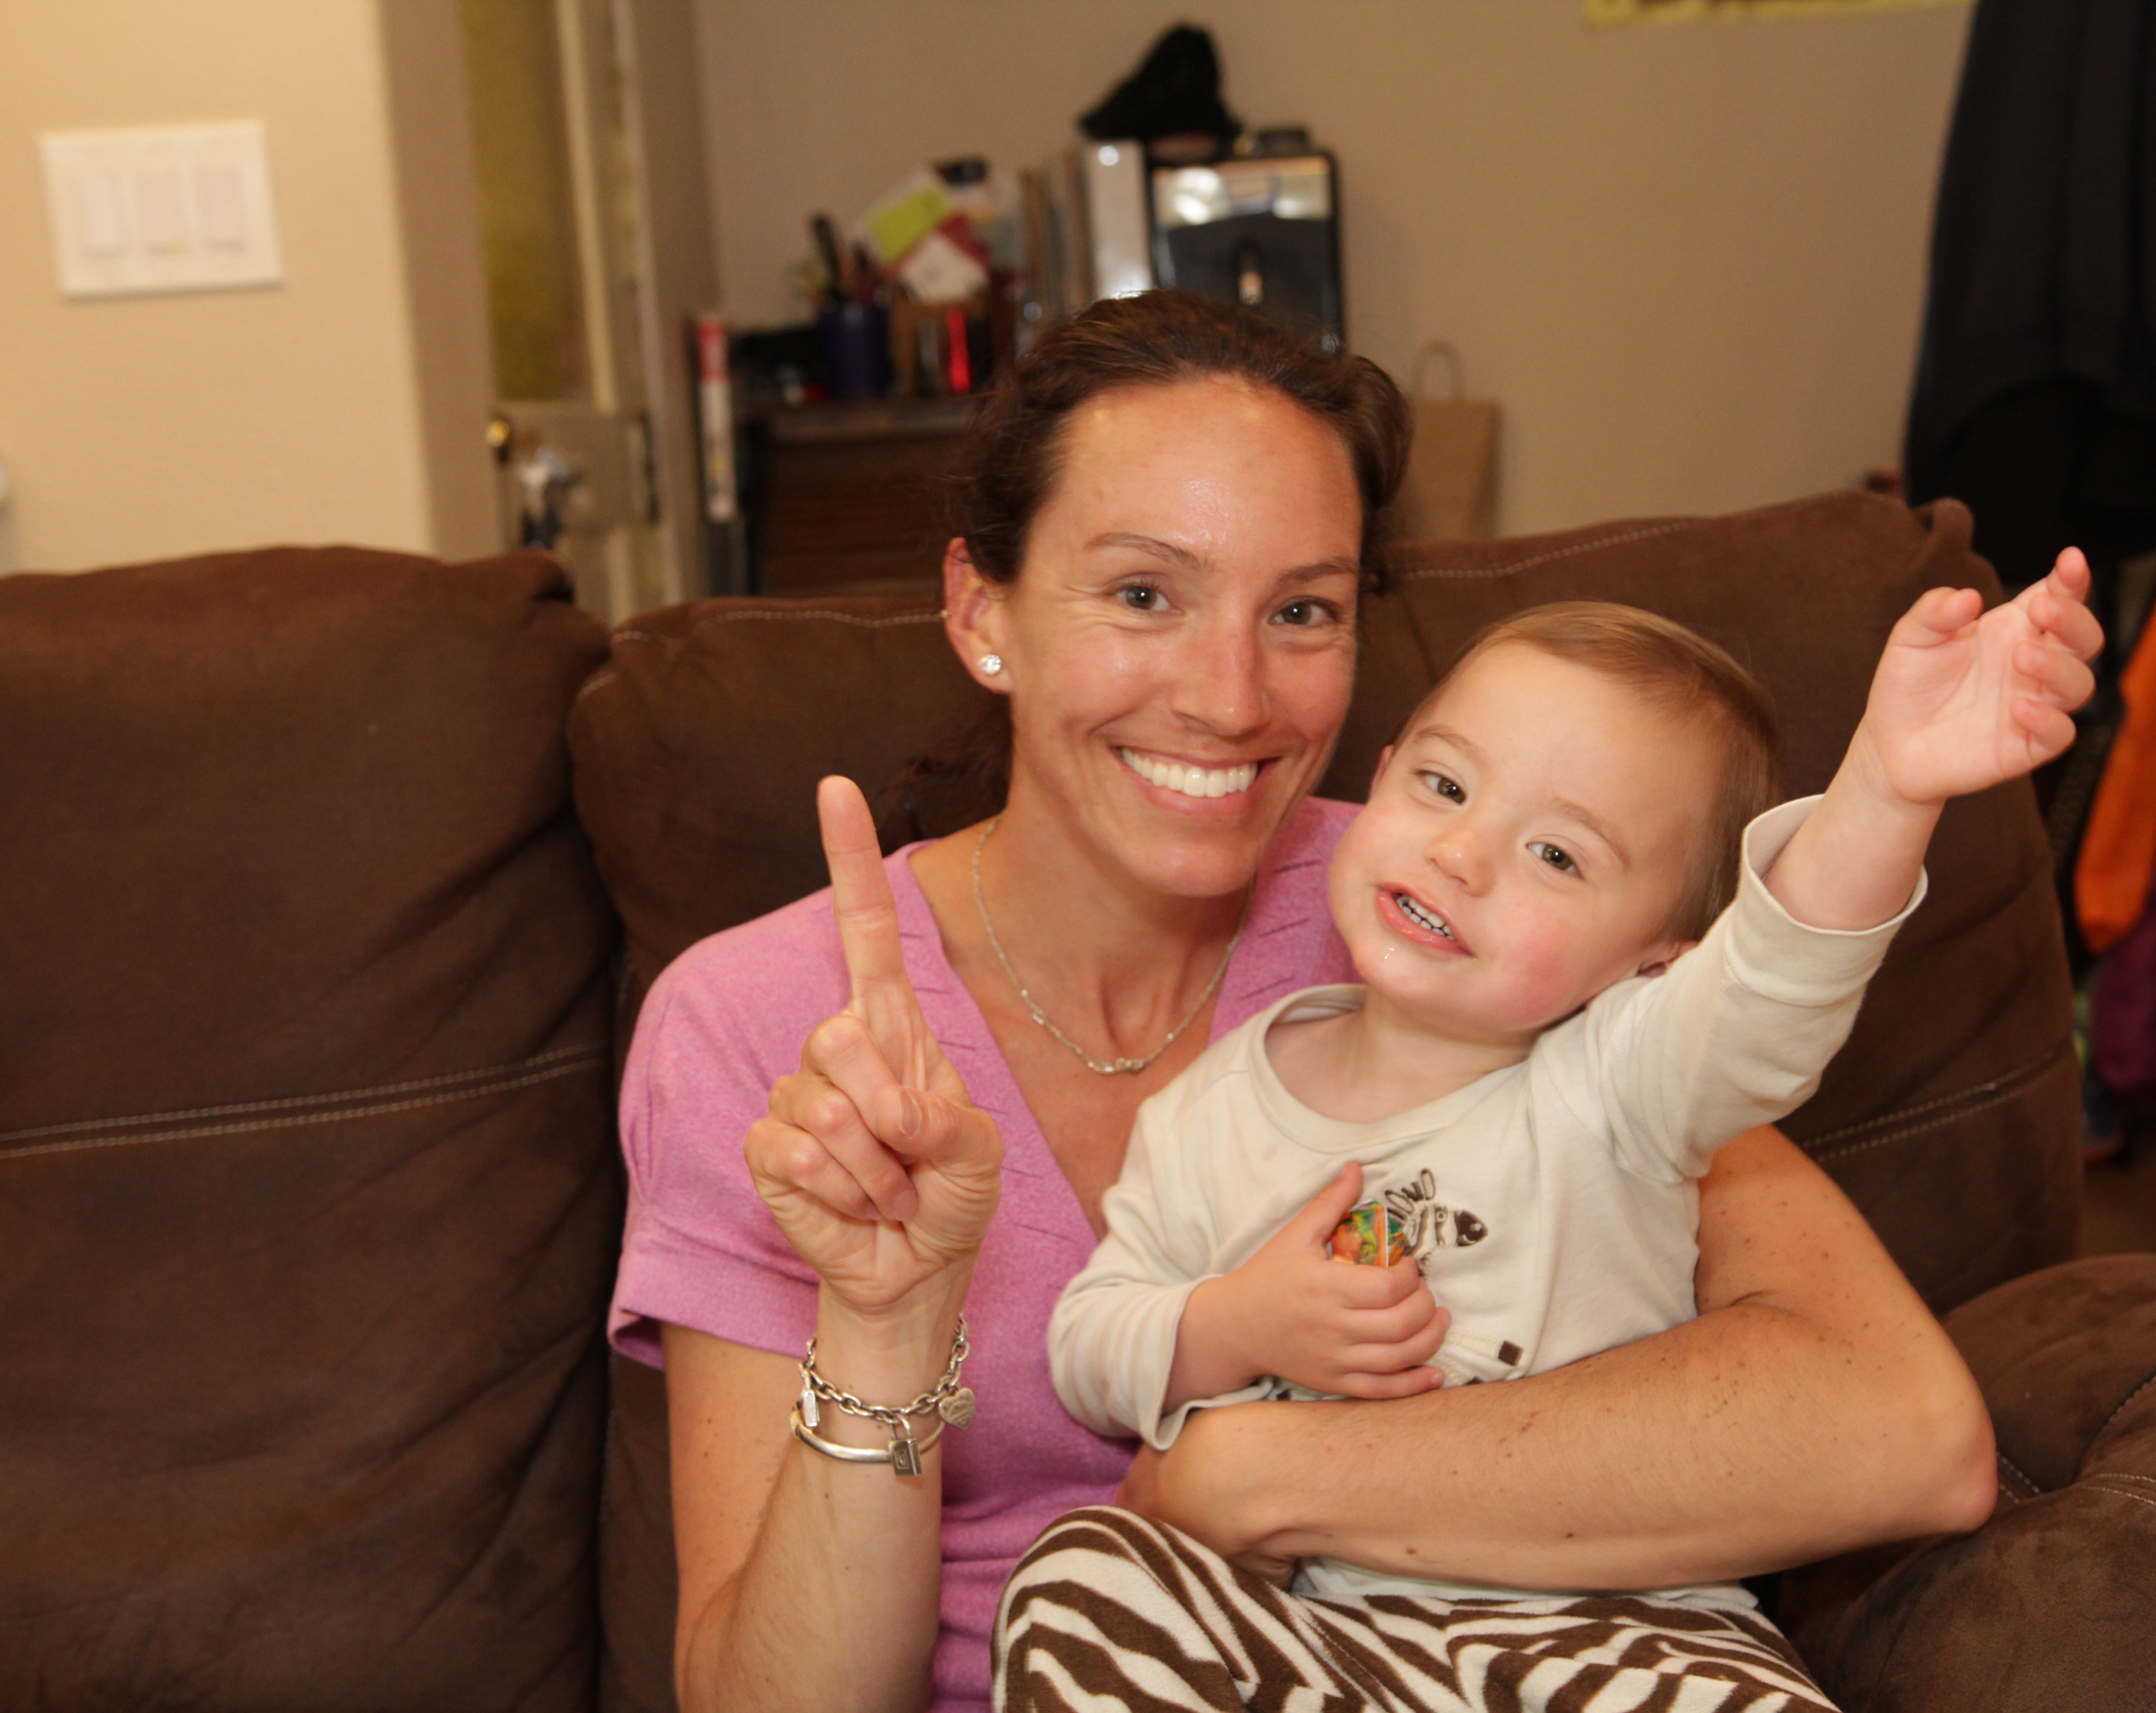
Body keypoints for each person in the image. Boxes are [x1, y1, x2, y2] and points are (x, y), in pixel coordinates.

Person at [610, 291, 2009, 1713]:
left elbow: (1899, 1429)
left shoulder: (1474, 927)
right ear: (983, 610)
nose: (1231, 699)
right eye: (1144, 593)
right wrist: (888, 1323)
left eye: (1301, 612)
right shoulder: (760, 1020)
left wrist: (1248, 1475)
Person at [1019, 584, 2093, 1707]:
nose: (1462, 853)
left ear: (1658, 959)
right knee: (1079, 1574)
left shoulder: (1622, 1087)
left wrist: (1887, 786)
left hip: (1620, 1628)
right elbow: (1088, 1347)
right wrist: (1229, 1325)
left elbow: (1770, 990)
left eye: (1556, 856)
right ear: (1379, 777)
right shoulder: (1208, 1113)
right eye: (1444, 786)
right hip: (1320, 1639)